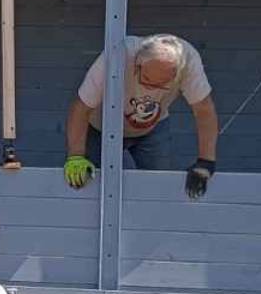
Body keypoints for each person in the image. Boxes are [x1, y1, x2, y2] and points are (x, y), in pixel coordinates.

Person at [61, 32, 219, 199]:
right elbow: (81, 107)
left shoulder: (189, 61)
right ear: (137, 64)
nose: (151, 90)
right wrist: (76, 156)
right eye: (146, 81)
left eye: (161, 85)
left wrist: (205, 162)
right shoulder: (118, 54)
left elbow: (203, 110)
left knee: (158, 188)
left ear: (177, 74)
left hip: (153, 129)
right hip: (101, 128)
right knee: (90, 184)